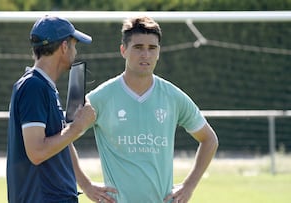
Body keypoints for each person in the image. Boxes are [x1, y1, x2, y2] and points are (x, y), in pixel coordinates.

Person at [86, 16, 219, 203]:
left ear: (158, 52)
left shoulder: (173, 96)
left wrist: (189, 186)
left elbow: (209, 139)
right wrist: (85, 185)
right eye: (138, 47)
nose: (145, 55)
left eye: (152, 49)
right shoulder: (100, 98)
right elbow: (65, 140)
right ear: (123, 50)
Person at [6, 16, 116, 203]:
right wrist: (78, 127)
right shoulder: (34, 86)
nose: (75, 51)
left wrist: (86, 185)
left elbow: (61, 141)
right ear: (64, 47)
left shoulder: (44, 86)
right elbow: (37, 152)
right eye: (74, 45)